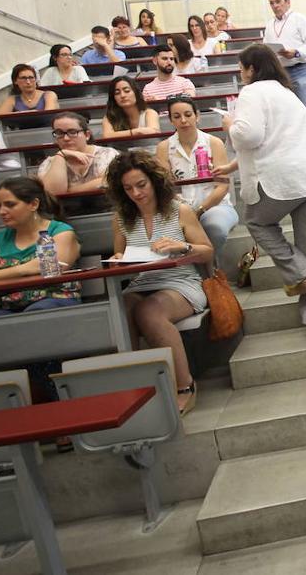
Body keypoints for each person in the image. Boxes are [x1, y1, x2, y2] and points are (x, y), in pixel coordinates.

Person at [221, 44, 306, 335]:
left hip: (285, 179)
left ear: (251, 69)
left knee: (256, 220)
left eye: (241, 69)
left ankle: (298, 271)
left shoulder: (252, 92)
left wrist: (229, 125)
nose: (241, 74)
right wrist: (233, 166)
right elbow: (278, 139)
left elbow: (249, 135)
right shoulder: (287, 93)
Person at [106, 150, 214, 414]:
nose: (136, 193)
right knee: (122, 308)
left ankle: (184, 385)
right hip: (142, 281)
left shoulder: (180, 210)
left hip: (181, 281)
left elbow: (207, 251)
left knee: (149, 310)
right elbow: (120, 257)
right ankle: (138, 388)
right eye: (128, 188)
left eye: (141, 185)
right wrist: (118, 258)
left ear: (154, 181)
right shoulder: (121, 218)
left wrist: (182, 246)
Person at [0, 177, 81, 314]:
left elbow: (53, 270)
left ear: (34, 204)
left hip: (53, 300)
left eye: (10, 205)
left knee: (36, 312)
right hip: (6, 306)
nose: (1, 211)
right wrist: (25, 269)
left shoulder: (60, 232)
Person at [155, 95, 237, 265]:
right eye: (176, 117)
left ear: (197, 116)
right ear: (170, 120)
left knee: (215, 227)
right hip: (178, 210)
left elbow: (222, 187)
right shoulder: (163, 147)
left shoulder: (213, 142)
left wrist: (199, 210)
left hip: (216, 206)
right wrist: (185, 211)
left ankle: (211, 272)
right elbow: (165, 188)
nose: (183, 120)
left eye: (188, 114)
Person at [262, 0, 306, 133]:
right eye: (271, 3)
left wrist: (296, 53)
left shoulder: (299, 19)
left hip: (301, 70)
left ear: (287, 2)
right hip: (280, 74)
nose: (275, 5)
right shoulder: (270, 25)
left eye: (278, 1)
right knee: (286, 116)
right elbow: (266, 48)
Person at [39, 111, 121, 194]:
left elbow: (109, 182)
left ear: (87, 135)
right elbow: (51, 193)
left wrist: (70, 191)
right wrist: (61, 155)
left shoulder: (106, 153)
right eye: (59, 133)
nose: (66, 138)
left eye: (72, 132)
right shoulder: (49, 163)